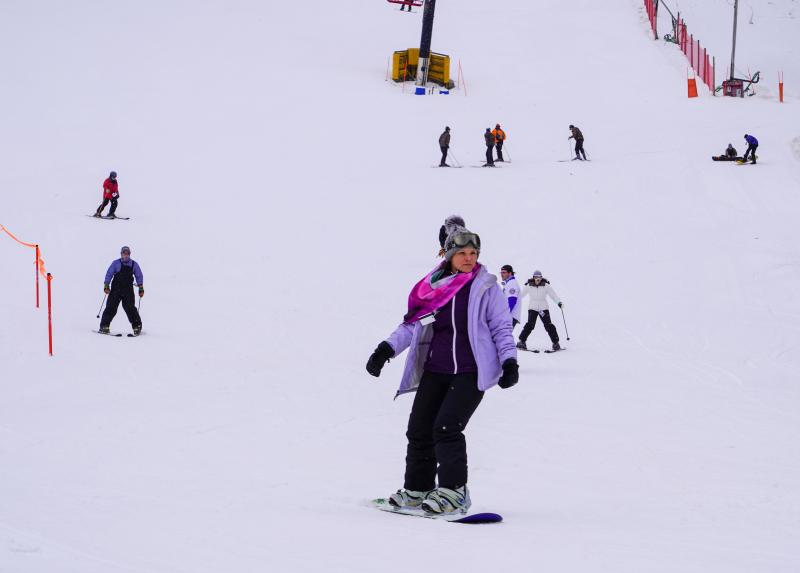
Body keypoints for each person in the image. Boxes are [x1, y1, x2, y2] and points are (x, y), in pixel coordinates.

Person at [366, 228, 518, 515]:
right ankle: (418, 489)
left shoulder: (485, 287)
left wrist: (509, 360)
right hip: (436, 369)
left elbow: (501, 327)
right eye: (462, 253)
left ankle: (454, 492)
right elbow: (412, 325)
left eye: (473, 253)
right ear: (449, 255)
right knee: (419, 429)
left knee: (446, 428)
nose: (469, 258)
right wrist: (385, 350)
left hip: (471, 371)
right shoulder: (435, 287)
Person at [100, 246, 144, 335]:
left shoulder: (134, 264)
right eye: (124, 253)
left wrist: (141, 287)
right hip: (116, 288)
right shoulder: (116, 263)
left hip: (128, 290)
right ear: (121, 254)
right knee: (111, 306)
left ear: (129, 254)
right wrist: (106, 285)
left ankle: (137, 326)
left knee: (130, 307)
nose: (126, 255)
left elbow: (139, 275)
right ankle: (104, 326)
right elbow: (109, 273)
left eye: (127, 254)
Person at [516, 270, 563, 351]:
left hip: (543, 308)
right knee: (530, 325)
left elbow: (553, 295)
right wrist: (514, 300)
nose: (538, 279)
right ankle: (521, 342)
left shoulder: (546, 285)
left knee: (548, 325)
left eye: (539, 277)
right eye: (536, 277)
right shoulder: (529, 285)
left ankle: (556, 343)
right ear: (533, 278)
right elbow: (520, 295)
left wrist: (558, 302)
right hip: (532, 308)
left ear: (541, 278)